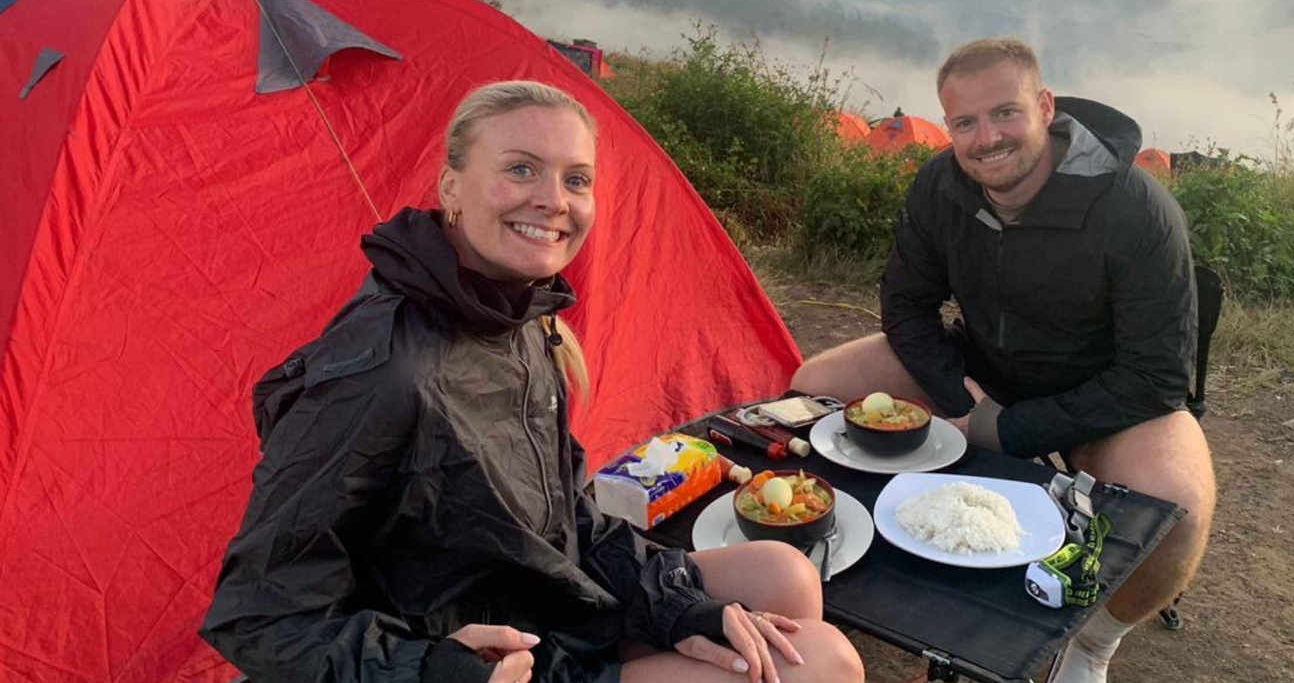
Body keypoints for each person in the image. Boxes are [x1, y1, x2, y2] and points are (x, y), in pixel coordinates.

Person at [201, 81, 863, 683]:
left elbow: (566, 516)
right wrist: (433, 668)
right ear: (451, 187)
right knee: (824, 663)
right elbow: (258, 615)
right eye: (521, 168)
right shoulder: (382, 367)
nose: (553, 199)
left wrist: (678, 608)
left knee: (783, 572)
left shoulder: (521, 319)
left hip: (542, 601)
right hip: (473, 657)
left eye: (576, 178)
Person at [791, 39, 1214, 683]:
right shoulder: (940, 184)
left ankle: (1092, 644)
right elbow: (906, 310)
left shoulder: (1135, 207)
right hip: (981, 366)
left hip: (1103, 396)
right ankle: (849, 557)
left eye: (1005, 113)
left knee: (1178, 506)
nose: (986, 139)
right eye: (965, 122)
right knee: (814, 389)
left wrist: (1005, 430)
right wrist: (960, 398)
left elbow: (1156, 378)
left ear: (1045, 107)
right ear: (948, 126)